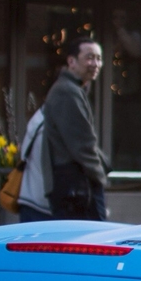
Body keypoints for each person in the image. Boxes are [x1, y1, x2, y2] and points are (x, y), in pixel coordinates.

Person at [42, 37, 109, 220]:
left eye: (99, 58)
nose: (95, 64)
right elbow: (83, 145)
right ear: (71, 61)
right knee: (92, 237)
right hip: (75, 188)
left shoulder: (73, 89)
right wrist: (100, 177)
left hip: (73, 186)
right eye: (89, 57)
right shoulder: (67, 91)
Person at [14, 107, 53, 222]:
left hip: (27, 198)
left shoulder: (36, 121)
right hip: (42, 203)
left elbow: (23, 155)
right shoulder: (48, 128)